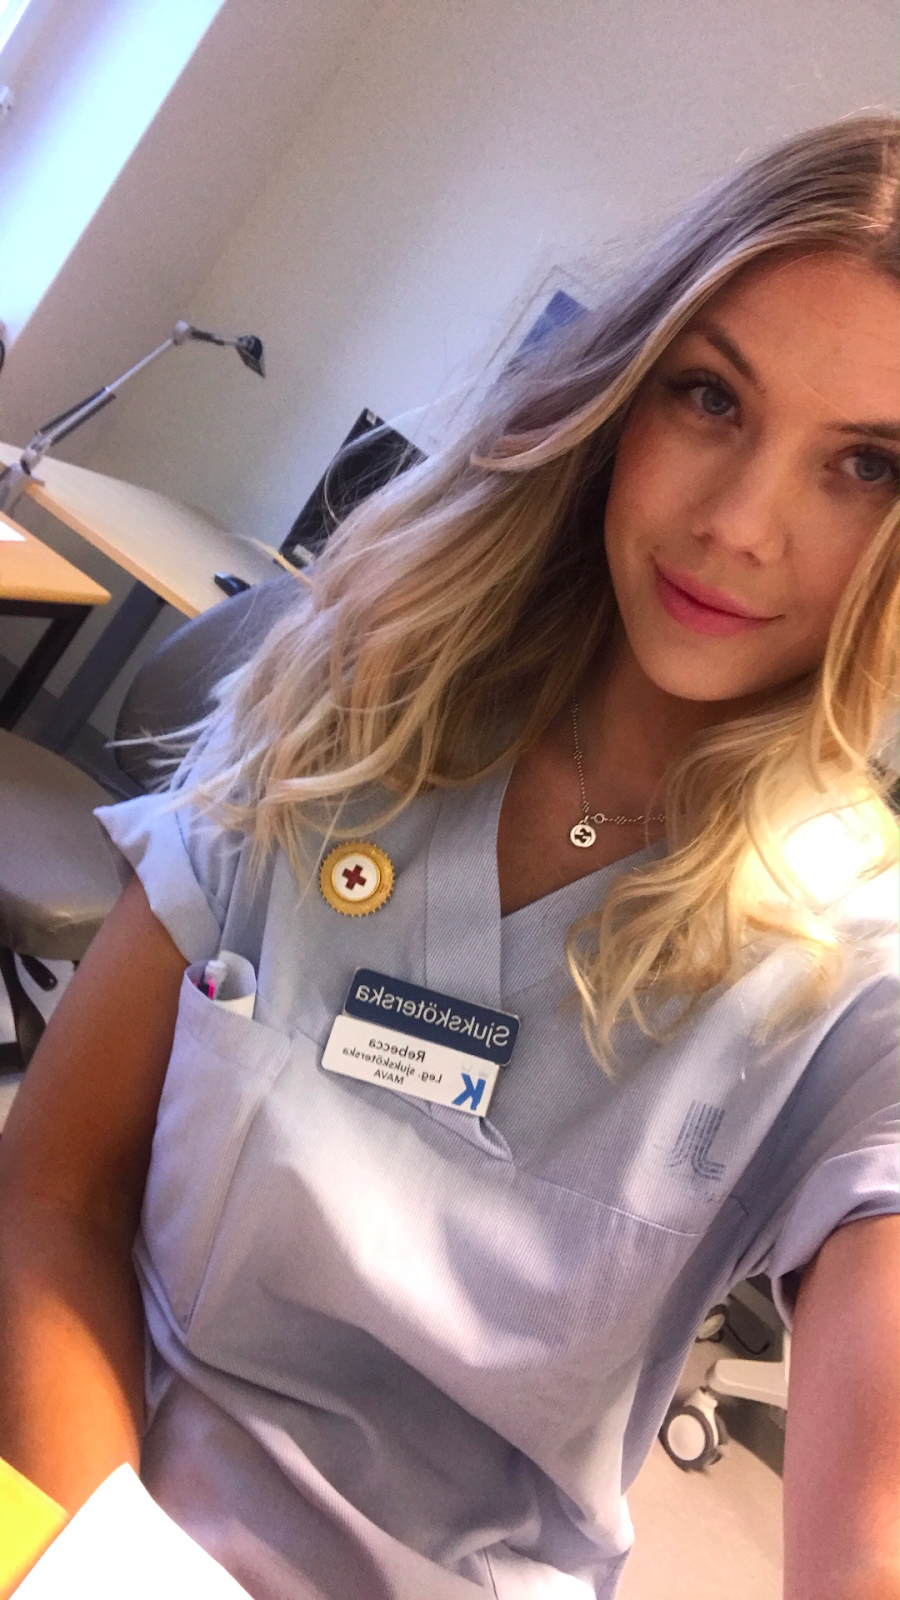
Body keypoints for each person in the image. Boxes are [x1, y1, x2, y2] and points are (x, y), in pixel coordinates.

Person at [0, 113, 897, 1600]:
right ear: (625, 392)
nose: (741, 526)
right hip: (72, 1487)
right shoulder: (356, 700)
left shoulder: (854, 976)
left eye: (866, 465)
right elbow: (56, 1194)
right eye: (711, 397)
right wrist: (99, 1571)